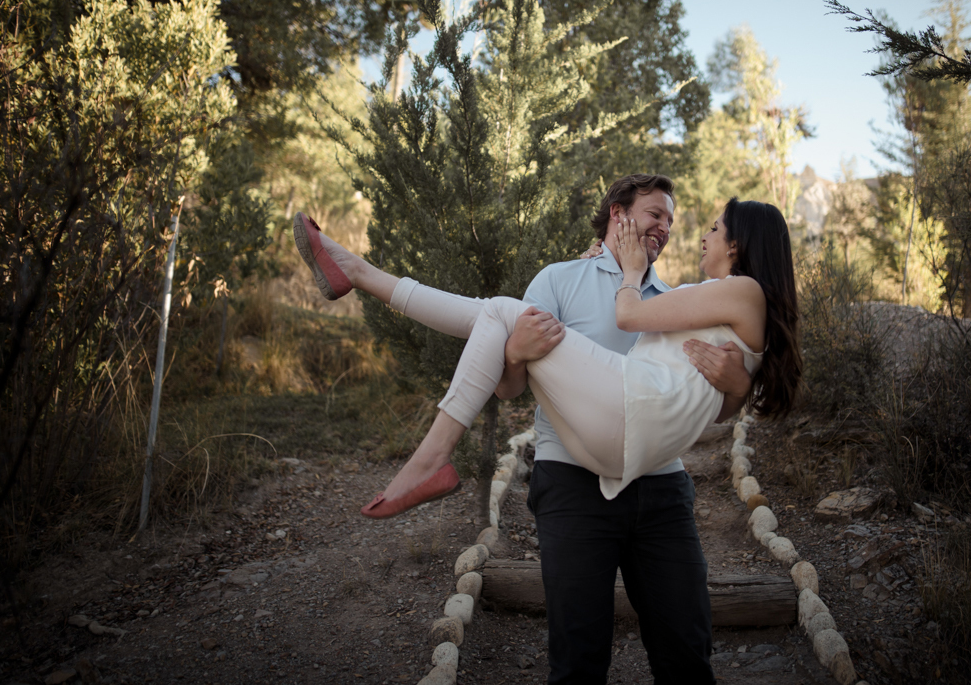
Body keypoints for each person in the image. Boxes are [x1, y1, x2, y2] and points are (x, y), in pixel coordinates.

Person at [293, 175, 802, 683]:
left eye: (673, 219)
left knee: (686, 650)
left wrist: (736, 388)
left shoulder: (680, 296)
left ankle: (362, 283)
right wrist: (515, 352)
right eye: (655, 214)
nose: (668, 227)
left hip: (656, 476)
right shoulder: (560, 278)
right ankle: (357, 272)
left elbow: (702, 402)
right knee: (578, 658)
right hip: (576, 475)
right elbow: (511, 385)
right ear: (618, 215)